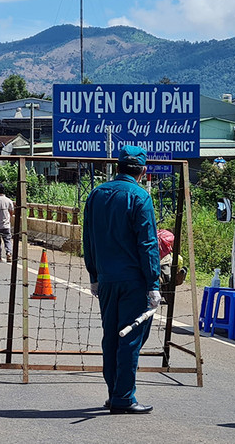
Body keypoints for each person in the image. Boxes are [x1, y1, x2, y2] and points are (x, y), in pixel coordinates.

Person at [83, 145, 161, 415]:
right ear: (143, 170)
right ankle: (124, 397)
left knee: (111, 337)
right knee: (130, 338)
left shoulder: (97, 194)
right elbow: (148, 243)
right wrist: (154, 283)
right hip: (133, 280)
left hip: (106, 279)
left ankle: (114, 391)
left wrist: (93, 275)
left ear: (118, 167)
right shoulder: (140, 197)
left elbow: (88, 238)